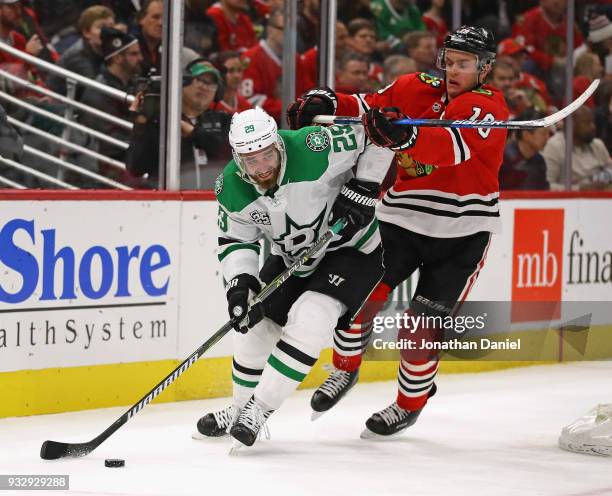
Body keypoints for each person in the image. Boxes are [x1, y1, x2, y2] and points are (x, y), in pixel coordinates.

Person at [287, 25, 509, 438]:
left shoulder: (488, 107)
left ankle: (410, 403)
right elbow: (369, 106)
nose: (453, 70)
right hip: (400, 220)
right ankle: (344, 370)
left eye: (465, 64)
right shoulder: (414, 87)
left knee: (419, 326)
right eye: (449, 61)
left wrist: (406, 138)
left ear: (485, 68)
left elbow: (450, 147)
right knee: (357, 299)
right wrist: (329, 101)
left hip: (462, 233)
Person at [194, 107, 394, 449]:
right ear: (237, 158)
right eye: (251, 160)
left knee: (311, 316)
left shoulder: (313, 146)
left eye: (267, 154)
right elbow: (235, 241)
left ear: (278, 145)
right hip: (294, 259)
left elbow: (378, 135)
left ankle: (258, 411)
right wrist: (241, 285)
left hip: (352, 251)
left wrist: (366, 185)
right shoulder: (230, 187)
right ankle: (240, 408)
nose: (263, 167)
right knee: (253, 325)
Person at [126, 59, 231, 189]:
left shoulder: (224, 120)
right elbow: (136, 168)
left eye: (211, 84)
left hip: (215, 204)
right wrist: (140, 123)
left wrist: (193, 133)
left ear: (217, 93)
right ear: (182, 83)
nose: (204, 87)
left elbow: (232, 156)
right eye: (199, 80)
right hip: (170, 204)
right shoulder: (161, 122)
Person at [79, 27, 142, 177]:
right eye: (134, 54)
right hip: (106, 167)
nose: (140, 58)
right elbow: (110, 143)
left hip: (127, 157)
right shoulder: (98, 92)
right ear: (117, 58)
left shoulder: (131, 84)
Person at [240, 9, 309, 122]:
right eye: (283, 29)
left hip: (292, 122)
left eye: (293, 30)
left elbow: (305, 91)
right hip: (261, 125)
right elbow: (250, 99)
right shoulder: (251, 57)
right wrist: (291, 108)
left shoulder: (295, 58)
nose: (290, 35)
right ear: (270, 30)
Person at [47, 5, 116, 97]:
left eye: (111, 26)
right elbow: (97, 91)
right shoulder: (78, 56)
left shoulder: (108, 48)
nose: (109, 32)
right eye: (101, 27)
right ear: (87, 32)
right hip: (61, 104)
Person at [542, 105, 612, 191]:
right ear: (572, 125)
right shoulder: (554, 147)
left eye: (592, 122)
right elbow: (547, 186)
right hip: (570, 201)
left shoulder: (597, 145)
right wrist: (579, 189)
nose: (593, 127)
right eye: (587, 123)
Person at [499, 108, 550, 190]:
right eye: (543, 133)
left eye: (548, 133)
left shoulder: (539, 161)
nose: (548, 137)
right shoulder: (504, 160)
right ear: (526, 135)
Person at [136, 0, 163, 76]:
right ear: (141, 19)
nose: (161, 23)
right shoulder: (130, 50)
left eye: (166, 18)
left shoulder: (167, 51)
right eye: (155, 17)